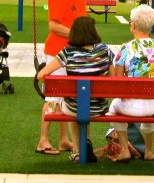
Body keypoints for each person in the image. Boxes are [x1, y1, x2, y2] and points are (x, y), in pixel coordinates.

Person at [38, 0, 93, 155]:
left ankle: (63, 139)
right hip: (56, 52)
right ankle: (43, 140)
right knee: (53, 97)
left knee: (66, 97)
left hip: (74, 53)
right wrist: (78, 35)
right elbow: (53, 26)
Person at [36, 16, 113, 156]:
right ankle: (86, 143)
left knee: (75, 105)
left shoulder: (67, 53)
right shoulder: (104, 50)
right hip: (99, 107)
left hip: (75, 107)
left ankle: (78, 151)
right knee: (83, 101)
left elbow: (41, 75)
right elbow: (115, 79)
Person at [106, 4, 154, 162]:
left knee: (113, 108)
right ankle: (148, 151)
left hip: (132, 107)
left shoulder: (126, 49)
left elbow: (118, 79)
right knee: (150, 105)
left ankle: (125, 149)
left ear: (133, 25)